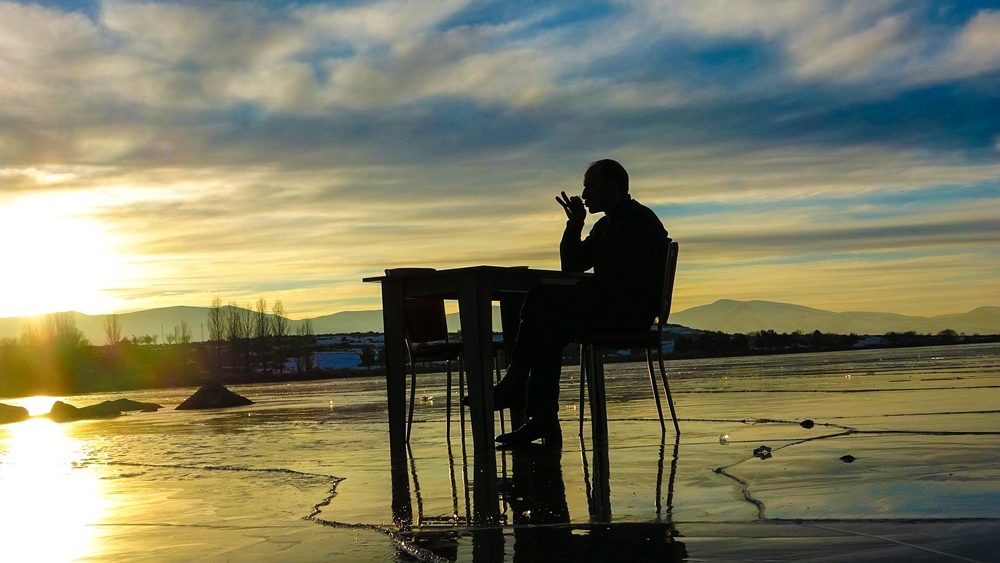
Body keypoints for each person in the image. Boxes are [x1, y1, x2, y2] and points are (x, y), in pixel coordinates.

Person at [491, 159, 669, 447]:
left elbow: (624, 282)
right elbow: (572, 265)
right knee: (548, 328)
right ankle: (540, 418)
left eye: (589, 186)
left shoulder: (639, 221)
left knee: (541, 298)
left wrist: (584, 288)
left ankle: (517, 386)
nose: (584, 195)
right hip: (611, 308)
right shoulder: (604, 226)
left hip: (629, 314)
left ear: (611, 186)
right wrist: (574, 225)